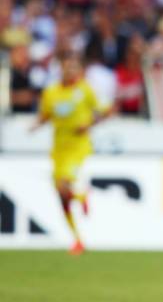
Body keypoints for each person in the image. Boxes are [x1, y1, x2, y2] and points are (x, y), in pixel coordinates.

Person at [30, 51, 113, 255]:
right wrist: (34, 126)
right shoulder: (51, 92)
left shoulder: (85, 90)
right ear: (61, 69)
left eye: (74, 67)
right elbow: (46, 115)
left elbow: (106, 110)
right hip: (59, 147)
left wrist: (89, 124)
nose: (70, 71)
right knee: (61, 195)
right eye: (67, 67)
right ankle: (77, 238)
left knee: (63, 184)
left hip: (78, 146)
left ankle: (81, 195)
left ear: (79, 70)